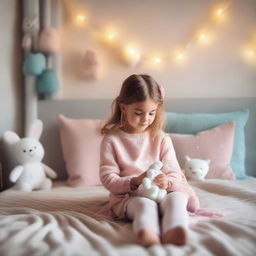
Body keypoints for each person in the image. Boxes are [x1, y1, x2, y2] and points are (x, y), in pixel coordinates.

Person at [100, 74, 199, 247]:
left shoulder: (161, 138)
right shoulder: (112, 140)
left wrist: (167, 181)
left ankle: (175, 230)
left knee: (177, 200)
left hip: (164, 191)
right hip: (130, 195)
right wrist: (134, 181)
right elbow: (108, 179)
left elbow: (174, 171)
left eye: (151, 113)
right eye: (138, 113)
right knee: (144, 205)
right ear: (123, 107)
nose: (145, 118)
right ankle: (147, 232)